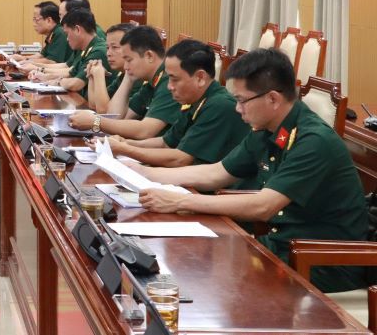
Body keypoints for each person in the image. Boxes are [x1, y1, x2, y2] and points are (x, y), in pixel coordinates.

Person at [133, 49, 367, 293]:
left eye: (242, 100)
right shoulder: (267, 129)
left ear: (273, 99)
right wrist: (142, 173)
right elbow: (217, 173)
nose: (237, 109)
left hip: (321, 263)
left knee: (202, 281)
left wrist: (180, 201)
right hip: (281, 247)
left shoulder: (314, 141)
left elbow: (263, 206)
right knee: (191, 267)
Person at [104, 39, 250, 167]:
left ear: (200, 78)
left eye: (175, 79)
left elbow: (180, 159)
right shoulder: (193, 101)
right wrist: (125, 143)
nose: (169, 86)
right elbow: (166, 142)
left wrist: (125, 149)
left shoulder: (220, 105)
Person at [68, 25, 179, 139]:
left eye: (129, 60)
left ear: (149, 56)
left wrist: (96, 121)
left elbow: (145, 131)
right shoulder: (151, 82)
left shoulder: (169, 81)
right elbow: (116, 117)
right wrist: (128, 79)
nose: (125, 66)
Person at [29, 9, 110, 96]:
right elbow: (70, 73)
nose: (67, 39)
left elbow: (76, 84)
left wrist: (58, 81)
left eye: (67, 34)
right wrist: (44, 76)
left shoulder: (98, 51)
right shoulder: (85, 48)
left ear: (77, 30)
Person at [84, 23, 138, 113]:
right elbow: (93, 105)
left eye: (115, 47)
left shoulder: (138, 77)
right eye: (107, 48)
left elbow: (105, 112)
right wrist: (92, 76)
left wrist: (99, 76)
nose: (108, 53)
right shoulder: (122, 74)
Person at [12, 1, 73, 69]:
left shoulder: (60, 33)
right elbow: (41, 55)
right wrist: (23, 58)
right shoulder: (52, 33)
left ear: (49, 20)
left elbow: (52, 61)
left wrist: (28, 62)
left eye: (36, 20)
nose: (34, 24)